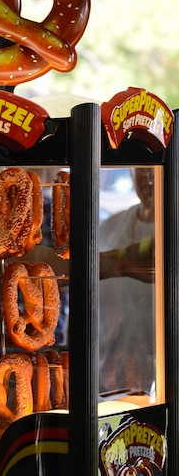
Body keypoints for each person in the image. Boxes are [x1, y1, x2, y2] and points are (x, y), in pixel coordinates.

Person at [96, 167, 156, 395]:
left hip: (162, 383)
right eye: (140, 168)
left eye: (152, 169)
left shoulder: (168, 232)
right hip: (108, 381)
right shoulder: (108, 227)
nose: (147, 177)